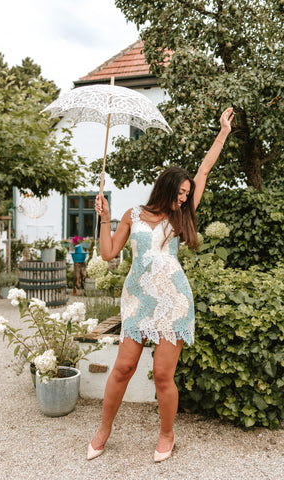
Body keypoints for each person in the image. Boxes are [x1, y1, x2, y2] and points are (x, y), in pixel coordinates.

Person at [88, 107, 234, 462]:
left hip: (173, 299)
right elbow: (108, 254)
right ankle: (103, 430)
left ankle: (167, 434)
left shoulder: (180, 216)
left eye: (187, 193)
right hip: (138, 299)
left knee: (162, 374)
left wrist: (223, 132)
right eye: (181, 191)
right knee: (122, 368)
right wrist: (104, 219)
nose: (185, 197)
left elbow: (203, 170)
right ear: (166, 187)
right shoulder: (133, 215)